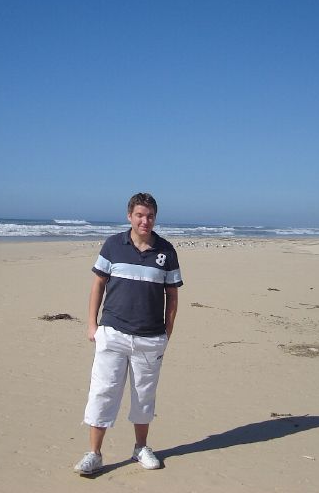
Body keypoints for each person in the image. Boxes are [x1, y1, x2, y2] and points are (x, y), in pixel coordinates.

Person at [74, 192, 183, 475]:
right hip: (112, 333)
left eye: (149, 216)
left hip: (150, 338)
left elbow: (172, 296)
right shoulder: (113, 245)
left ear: (155, 218)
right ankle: (94, 454)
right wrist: (91, 325)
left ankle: (140, 448)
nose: (144, 221)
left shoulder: (167, 252)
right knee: (103, 392)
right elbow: (98, 285)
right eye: (139, 215)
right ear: (129, 216)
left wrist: (166, 333)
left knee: (143, 397)